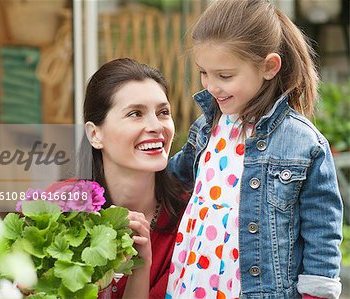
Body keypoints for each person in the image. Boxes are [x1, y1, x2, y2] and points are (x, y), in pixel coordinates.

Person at [165, 0, 343, 298]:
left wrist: (316, 293)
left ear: (269, 67)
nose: (210, 86)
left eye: (224, 76)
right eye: (204, 73)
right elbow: (172, 181)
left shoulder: (302, 142)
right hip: (194, 283)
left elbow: (322, 229)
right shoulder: (207, 127)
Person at [82, 58, 187, 298]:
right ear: (95, 134)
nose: (156, 126)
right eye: (135, 114)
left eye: (163, 112)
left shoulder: (192, 222)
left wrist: (142, 265)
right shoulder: (62, 207)